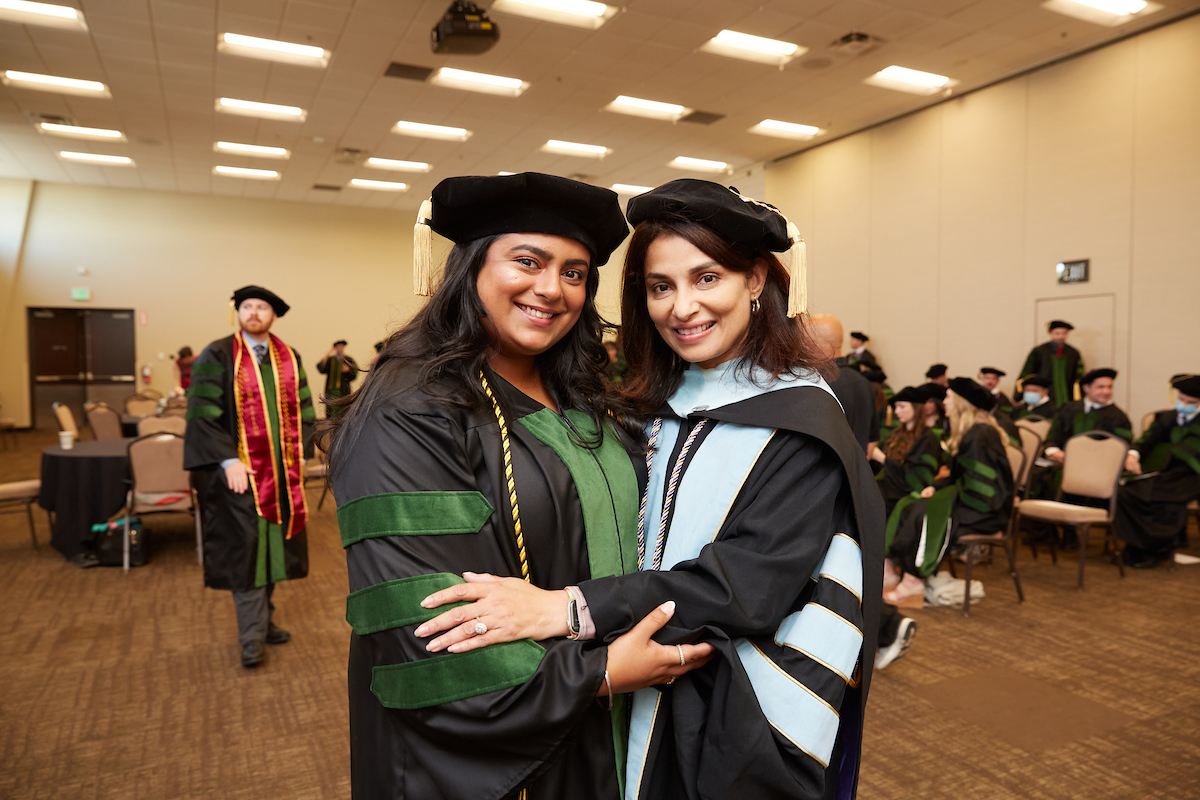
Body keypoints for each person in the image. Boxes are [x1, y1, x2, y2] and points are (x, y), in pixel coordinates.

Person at [419, 178, 886, 799]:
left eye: (707, 278)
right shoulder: (654, 404)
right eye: (661, 287)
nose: (682, 308)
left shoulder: (799, 420)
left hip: (733, 703)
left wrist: (568, 608)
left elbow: (745, 583)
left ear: (756, 281)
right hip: (639, 673)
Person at [325, 173, 714, 800]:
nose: (550, 289)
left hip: (607, 723)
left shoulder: (584, 398)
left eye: (574, 272)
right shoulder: (411, 409)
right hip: (488, 755)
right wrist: (604, 673)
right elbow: (430, 630)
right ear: (472, 267)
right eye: (526, 262)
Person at [183, 286, 316, 668]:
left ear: (273, 315)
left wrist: (302, 455)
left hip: (282, 477)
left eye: (262, 307)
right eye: (247, 306)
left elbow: (305, 413)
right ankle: (251, 636)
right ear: (237, 313)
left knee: (272, 549)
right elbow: (203, 413)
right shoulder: (218, 355)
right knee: (246, 552)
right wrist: (227, 461)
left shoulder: (289, 357)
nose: (254, 312)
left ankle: (264, 620)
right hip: (238, 478)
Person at [1115, 374, 1200, 568]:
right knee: (1125, 493)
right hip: (1163, 474)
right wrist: (1133, 455)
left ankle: (1157, 550)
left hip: (1191, 475)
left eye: (1191, 402)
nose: (1184, 404)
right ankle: (1137, 546)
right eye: (1182, 399)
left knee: (1165, 500)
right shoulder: (1167, 418)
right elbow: (1146, 441)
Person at [811, 313, 880, 455]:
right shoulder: (864, 382)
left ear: (815, 343)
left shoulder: (815, 383)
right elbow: (871, 442)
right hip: (857, 472)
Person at [1043, 368, 1133, 463]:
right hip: (1064, 464)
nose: (1106, 392)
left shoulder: (1118, 416)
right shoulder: (1068, 409)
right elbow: (1053, 436)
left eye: (1109, 387)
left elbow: (1122, 446)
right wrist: (1053, 451)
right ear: (1086, 388)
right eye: (1100, 387)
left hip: (1099, 466)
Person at [1021, 320, 1085, 407]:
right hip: (1045, 391)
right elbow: (1028, 372)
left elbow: (1079, 374)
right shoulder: (1040, 351)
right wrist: (1018, 396)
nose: (1061, 336)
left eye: (1064, 333)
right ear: (1050, 333)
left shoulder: (1073, 353)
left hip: (1067, 391)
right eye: (1057, 333)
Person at [316, 340, 359, 416]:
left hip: (343, 389)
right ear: (335, 348)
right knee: (330, 407)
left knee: (344, 407)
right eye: (338, 347)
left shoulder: (348, 359)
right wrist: (327, 354)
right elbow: (321, 368)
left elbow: (355, 371)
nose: (340, 349)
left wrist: (349, 370)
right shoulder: (330, 360)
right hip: (330, 389)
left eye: (341, 347)